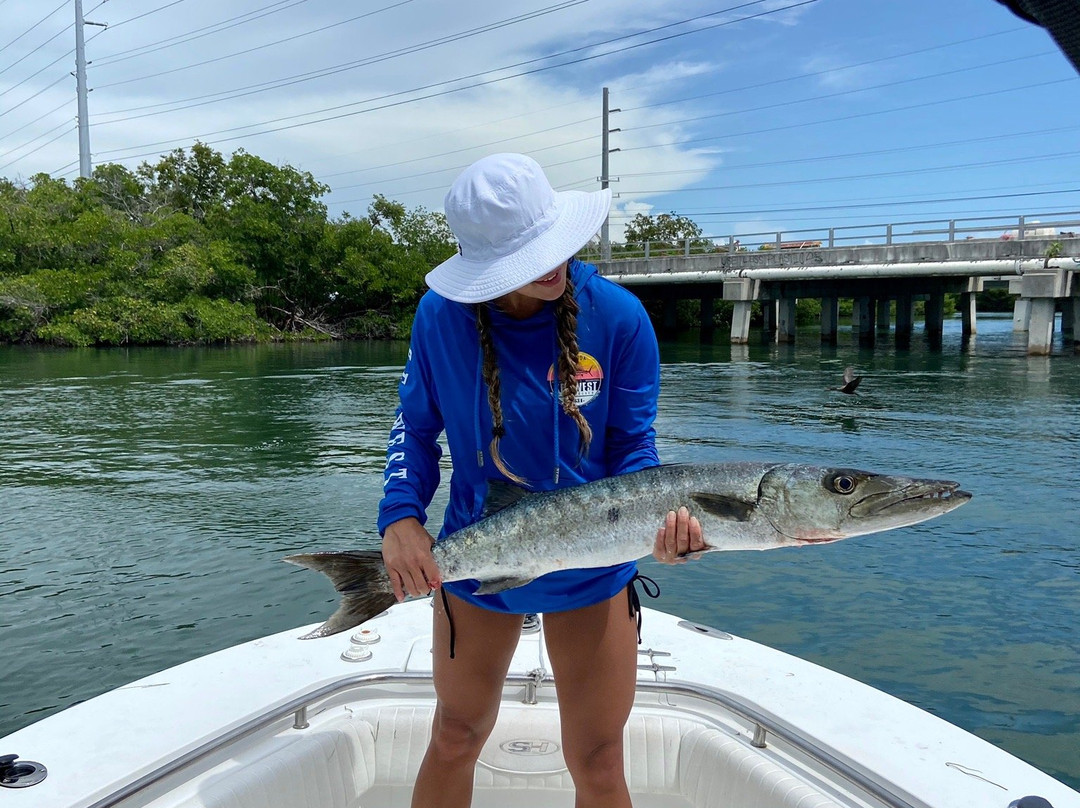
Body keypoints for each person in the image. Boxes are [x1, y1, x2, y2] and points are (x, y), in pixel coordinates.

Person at [377, 152, 706, 808]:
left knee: (599, 760)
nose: (553, 263)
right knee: (454, 736)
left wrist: (659, 522)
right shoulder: (439, 318)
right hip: (478, 552)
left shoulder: (619, 317)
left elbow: (632, 446)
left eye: (554, 241)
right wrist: (401, 515)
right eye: (528, 257)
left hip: (595, 567)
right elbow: (414, 427)